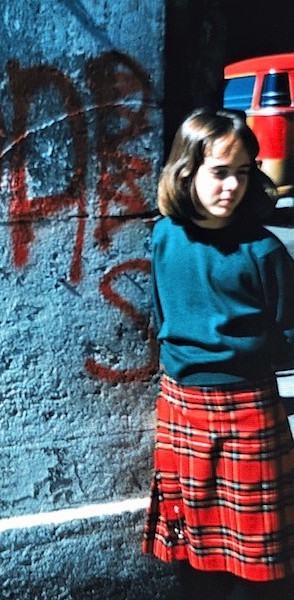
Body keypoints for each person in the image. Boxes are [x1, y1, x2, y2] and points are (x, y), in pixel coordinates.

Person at [142, 108, 294, 600]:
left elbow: (287, 330)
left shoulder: (264, 251)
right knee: (194, 544)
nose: (232, 186)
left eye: (243, 173)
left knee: (257, 556)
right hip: (183, 404)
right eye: (219, 172)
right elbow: (163, 309)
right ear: (186, 172)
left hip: (248, 407)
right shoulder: (165, 236)